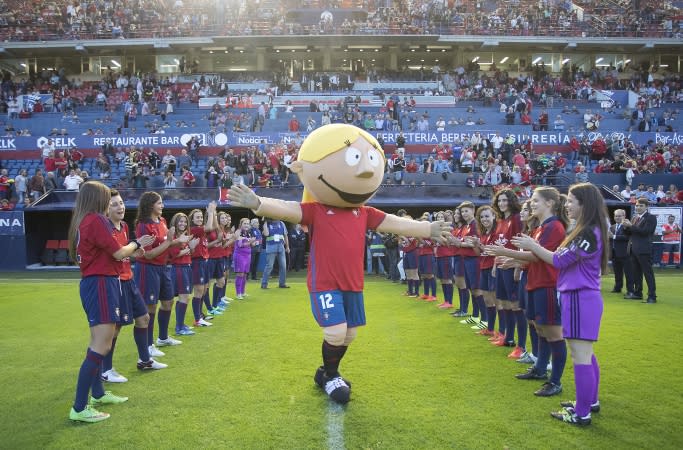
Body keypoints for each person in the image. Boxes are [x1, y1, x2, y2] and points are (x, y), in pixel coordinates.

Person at [228, 124, 451, 404]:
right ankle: (332, 376)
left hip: (353, 283)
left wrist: (427, 229)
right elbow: (288, 209)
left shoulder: (365, 212)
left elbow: (396, 224)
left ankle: (325, 372)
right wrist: (259, 203)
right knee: (334, 331)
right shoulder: (317, 211)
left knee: (350, 334)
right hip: (325, 283)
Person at [512, 183, 608, 426]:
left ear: (584, 203)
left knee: (580, 355)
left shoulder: (587, 231)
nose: (567, 205)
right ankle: (590, 402)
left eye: (571, 201)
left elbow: (558, 260)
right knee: (585, 352)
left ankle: (582, 412)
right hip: (581, 296)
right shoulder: (586, 229)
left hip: (579, 297)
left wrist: (534, 246)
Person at [67, 181, 155, 423]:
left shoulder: (85, 220)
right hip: (101, 284)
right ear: (97, 199)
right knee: (100, 345)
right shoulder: (95, 220)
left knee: (99, 343)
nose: (111, 203)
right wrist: (138, 243)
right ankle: (79, 407)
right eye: (107, 198)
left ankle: (97, 394)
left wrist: (129, 249)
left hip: (99, 283)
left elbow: (112, 253)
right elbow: (118, 253)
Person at [486, 186, 568, 398]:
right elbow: (533, 256)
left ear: (549, 203)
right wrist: (513, 259)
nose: (531, 203)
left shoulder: (554, 226)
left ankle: (555, 381)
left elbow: (539, 256)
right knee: (540, 329)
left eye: (535, 200)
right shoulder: (541, 227)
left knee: (553, 333)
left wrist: (504, 251)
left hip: (547, 285)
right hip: (534, 282)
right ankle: (540, 369)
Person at [104, 189, 167, 382]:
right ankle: (106, 370)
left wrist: (134, 251)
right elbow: (115, 253)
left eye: (121, 203)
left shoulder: (123, 226)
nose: (120, 207)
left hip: (128, 278)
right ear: (105, 209)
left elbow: (125, 251)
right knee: (115, 328)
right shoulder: (104, 227)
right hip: (116, 282)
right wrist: (136, 245)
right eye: (114, 204)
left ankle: (145, 360)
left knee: (144, 318)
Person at [135, 192, 191, 358]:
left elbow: (166, 243)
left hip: (163, 267)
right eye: (159, 203)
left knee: (168, 302)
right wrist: (169, 242)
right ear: (150, 205)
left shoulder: (163, 221)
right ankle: (149, 344)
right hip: (148, 268)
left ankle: (163, 338)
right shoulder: (143, 225)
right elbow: (148, 254)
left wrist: (177, 241)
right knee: (150, 307)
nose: (162, 206)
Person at [167, 212, 198, 336]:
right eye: (180, 221)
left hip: (186, 267)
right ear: (175, 222)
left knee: (184, 297)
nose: (183, 224)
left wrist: (192, 247)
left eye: (185, 222)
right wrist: (189, 248)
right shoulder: (174, 236)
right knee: (184, 297)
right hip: (178, 268)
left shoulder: (184, 235)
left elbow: (189, 253)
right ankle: (179, 327)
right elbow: (174, 255)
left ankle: (180, 324)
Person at [622, 198, 657, 303]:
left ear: (646, 207)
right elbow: (629, 234)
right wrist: (625, 228)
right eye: (637, 205)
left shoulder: (651, 217)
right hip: (633, 249)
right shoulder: (634, 218)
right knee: (636, 273)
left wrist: (631, 226)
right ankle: (638, 293)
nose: (638, 207)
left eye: (641, 205)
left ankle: (652, 296)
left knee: (648, 273)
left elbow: (646, 232)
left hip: (644, 250)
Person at [188, 203, 218, 325]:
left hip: (204, 262)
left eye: (201, 217)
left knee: (204, 289)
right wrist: (210, 213)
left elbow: (214, 228)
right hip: (197, 262)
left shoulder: (202, 230)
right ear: (192, 219)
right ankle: (197, 319)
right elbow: (210, 228)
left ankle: (200, 315)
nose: (200, 219)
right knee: (199, 290)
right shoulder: (195, 229)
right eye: (197, 217)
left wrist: (213, 214)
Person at [260, 217, 290, 289]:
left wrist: (287, 247)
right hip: (271, 247)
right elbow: (266, 234)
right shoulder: (267, 224)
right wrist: (265, 223)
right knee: (269, 266)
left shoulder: (282, 223)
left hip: (281, 247)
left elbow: (285, 236)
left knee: (283, 266)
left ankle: (282, 284)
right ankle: (264, 284)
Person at [609, 209, 631, 293]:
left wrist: (614, 236)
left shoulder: (627, 226)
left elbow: (627, 237)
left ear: (624, 216)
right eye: (616, 216)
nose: (617, 217)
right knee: (617, 272)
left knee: (628, 273)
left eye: (619, 216)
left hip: (625, 253)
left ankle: (630, 290)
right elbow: (610, 240)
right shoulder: (612, 227)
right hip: (615, 253)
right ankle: (618, 287)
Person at [233, 218, 256, 300]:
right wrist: (250, 242)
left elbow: (251, 245)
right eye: (245, 223)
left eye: (248, 224)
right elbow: (240, 245)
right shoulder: (238, 232)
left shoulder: (248, 233)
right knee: (240, 274)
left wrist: (254, 242)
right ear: (241, 224)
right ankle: (238, 293)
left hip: (248, 256)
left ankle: (243, 292)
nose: (247, 225)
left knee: (245, 274)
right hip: (240, 255)